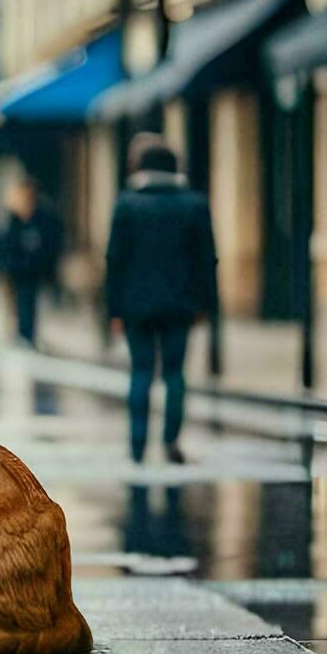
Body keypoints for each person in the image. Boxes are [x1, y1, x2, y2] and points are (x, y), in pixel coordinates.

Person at [105, 139, 218, 465]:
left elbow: (114, 261)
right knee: (174, 374)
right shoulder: (194, 205)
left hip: (135, 307)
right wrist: (204, 305)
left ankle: (137, 445)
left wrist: (113, 310)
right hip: (180, 306)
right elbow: (206, 260)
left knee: (140, 372)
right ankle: (171, 441)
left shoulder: (126, 205)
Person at [2, 177, 59, 347]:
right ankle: (22, 332)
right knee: (20, 300)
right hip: (19, 267)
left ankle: (28, 334)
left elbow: (50, 239)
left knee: (30, 300)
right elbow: (9, 243)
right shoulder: (15, 217)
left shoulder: (41, 215)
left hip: (34, 267)